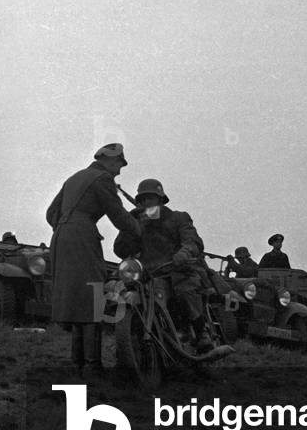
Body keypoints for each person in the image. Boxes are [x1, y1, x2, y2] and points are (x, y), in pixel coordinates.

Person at [46, 143, 141, 377]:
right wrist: (140, 230)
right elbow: (118, 216)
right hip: (80, 237)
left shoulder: (74, 178)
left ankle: (77, 362)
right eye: (119, 165)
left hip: (61, 237)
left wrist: (69, 226)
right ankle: (92, 365)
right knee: (93, 295)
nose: (119, 171)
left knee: (78, 298)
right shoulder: (102, 179)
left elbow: (51, 213)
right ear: (109, 161)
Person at [114, 178, 231, 356]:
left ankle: (201, 333)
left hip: (180, 270)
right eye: (143, 200)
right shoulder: (138, 222)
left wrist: (183, 255)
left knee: (185, 290)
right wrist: (129, 227)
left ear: (161, 200)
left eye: (151, 198)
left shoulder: (178, 217)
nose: (147, 203)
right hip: (150, 275)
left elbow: (193, 242)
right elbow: (121, 250)